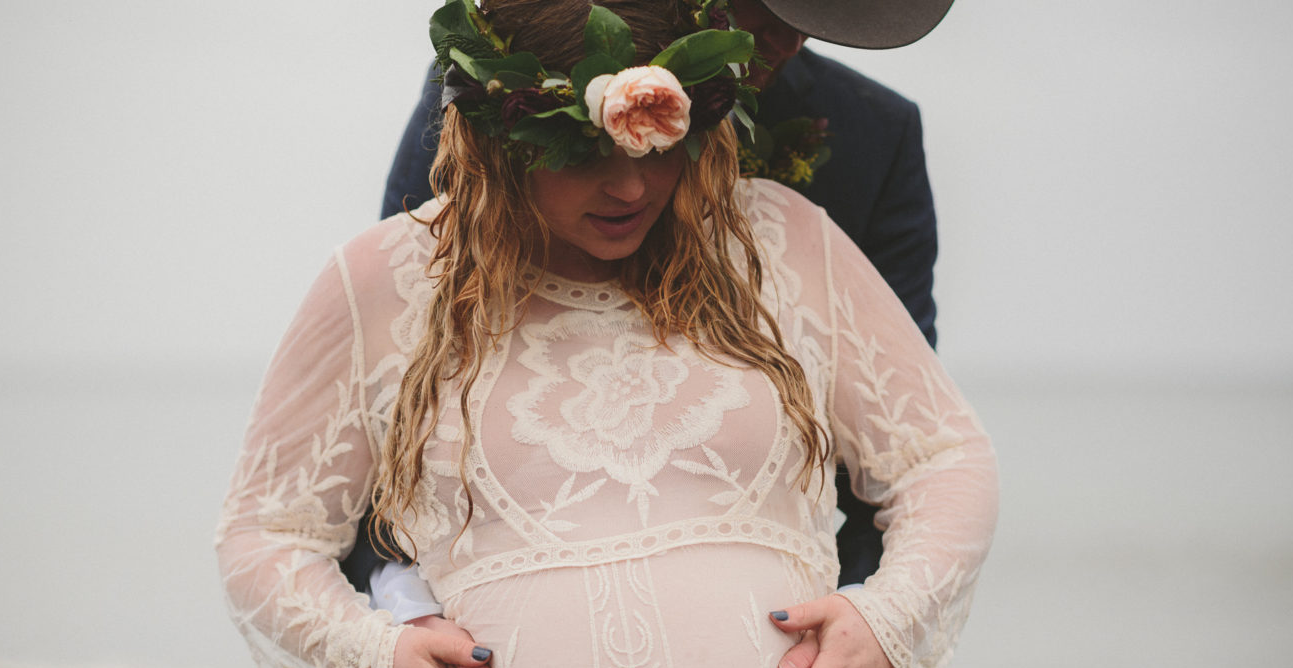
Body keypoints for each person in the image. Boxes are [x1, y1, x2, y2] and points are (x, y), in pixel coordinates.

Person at [216, 1, 997, 668]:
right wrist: (381, 647)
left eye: (657, 147)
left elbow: (938, 457)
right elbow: (272, 527)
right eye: (584, 152)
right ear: (500, 138)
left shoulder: (788, 235)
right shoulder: (386, 275)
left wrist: (881, 623)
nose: (628, 186)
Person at [371, 0, 951, 591]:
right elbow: (398, 345)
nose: (788, 42)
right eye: (761, 7)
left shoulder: (874, 134)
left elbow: (903, 430)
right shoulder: (510, 82)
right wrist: (403, 602)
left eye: (808, 20)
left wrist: (862, 618)